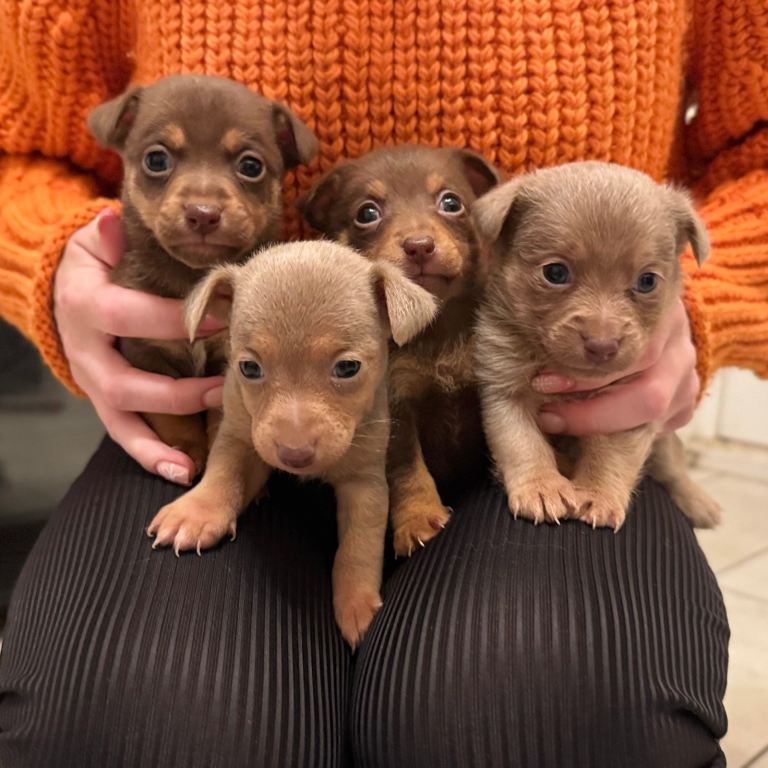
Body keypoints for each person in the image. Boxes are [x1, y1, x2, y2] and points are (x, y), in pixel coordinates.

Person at [0, 1, 766, 766]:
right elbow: (22, 146)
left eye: (449, 206)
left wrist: (689, 298)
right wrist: (52, 254)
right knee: (122, 722)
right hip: (225, 414)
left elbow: (756, 153)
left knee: (549, 720)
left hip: (543, 411)